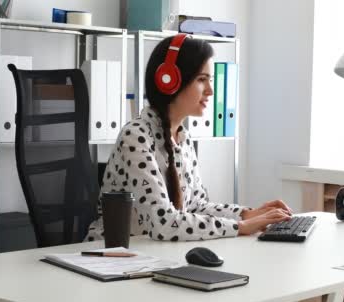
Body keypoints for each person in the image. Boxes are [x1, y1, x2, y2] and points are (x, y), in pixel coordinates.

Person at [85, 34, 292, 243]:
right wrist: (242, 227)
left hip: (158, 252)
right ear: (170, 81)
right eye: (202, 80)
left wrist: (248, 214)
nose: (210, 91)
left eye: (210, 80)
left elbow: (197, 207)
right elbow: (164, 223)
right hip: (113, 256)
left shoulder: (182, 138)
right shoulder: (136, 137)